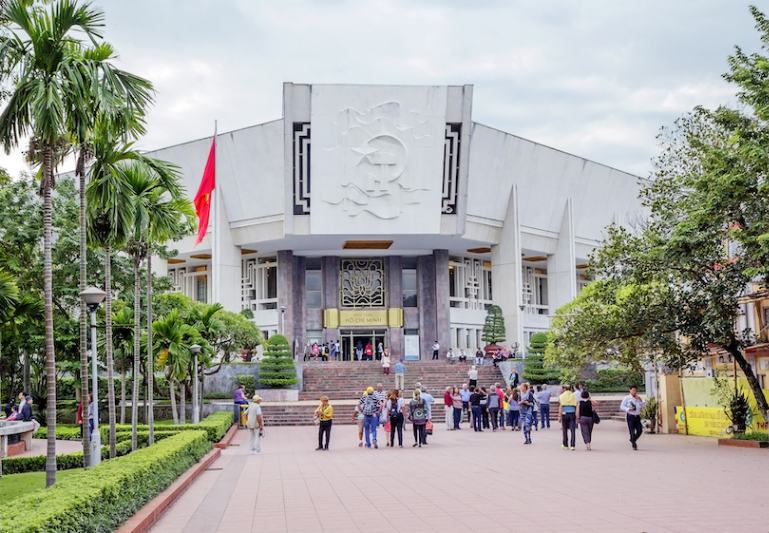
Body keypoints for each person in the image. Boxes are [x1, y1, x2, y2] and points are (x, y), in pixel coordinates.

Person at [621, 385, 645, 450]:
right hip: (630, 416)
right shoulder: (627, 398)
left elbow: (643, 406)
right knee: (632, 431)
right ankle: (634, 445)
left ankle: (633, 439)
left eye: (635, 390)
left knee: (640, 430)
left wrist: (640, 400)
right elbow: (622, 406)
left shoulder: (638, 398)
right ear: (630, 390)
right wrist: (628, 409)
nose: (634, 392)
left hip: (637, 416)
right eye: (633, 390)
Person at [558, 385, 577, 450]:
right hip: (572, 413)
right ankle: (572, 445)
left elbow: (561, 406)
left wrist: (559, 416)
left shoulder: (561, 396)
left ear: (565, 389)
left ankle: (565, 445)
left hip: (564, 414)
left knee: (564, 430)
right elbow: (576, 406)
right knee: (573, 430)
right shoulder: (574, 395)